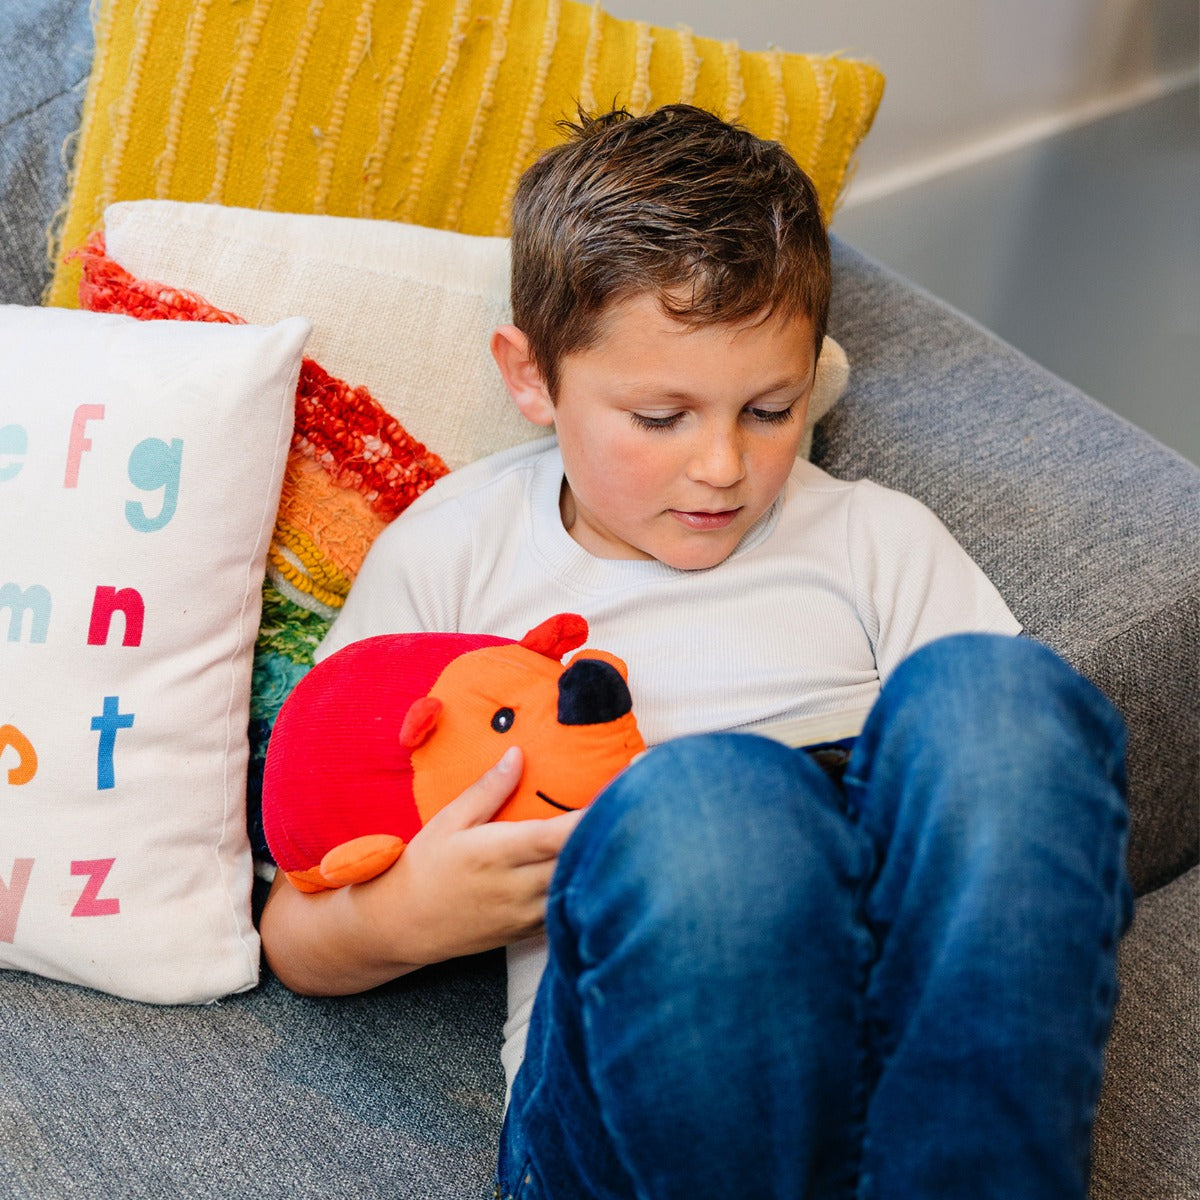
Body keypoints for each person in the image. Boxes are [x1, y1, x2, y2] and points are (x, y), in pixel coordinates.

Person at [260, 105, 1131, 1199]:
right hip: (644, 1103)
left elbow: (1006, 803)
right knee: (716, 805)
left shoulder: (871, 538)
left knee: (1005, 698)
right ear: (531, 378)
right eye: (662, 416)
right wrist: (415, 911)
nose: (723, 467)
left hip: (909, 1078)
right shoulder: (457, 549)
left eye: (770, 408)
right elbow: (293, 928)